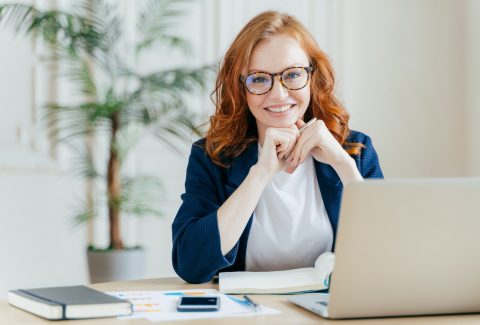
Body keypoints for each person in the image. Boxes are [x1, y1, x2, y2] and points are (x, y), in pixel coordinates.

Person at [172, 11, 383, 284]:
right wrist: (260, 174)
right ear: (241, 88)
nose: (278, 94)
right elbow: (191, 265)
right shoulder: (212, 156)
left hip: (327, 311)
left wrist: (344, 165)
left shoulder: (355, 150)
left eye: (293, 74)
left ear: (313, 77)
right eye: (259, 79)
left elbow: (388, 254)